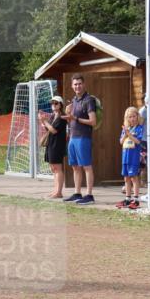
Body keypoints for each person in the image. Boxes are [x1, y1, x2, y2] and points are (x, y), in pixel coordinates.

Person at [64, 74, 98, 205]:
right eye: (75, 84)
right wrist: (68, 114)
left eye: (79, 83)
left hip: (83, 137)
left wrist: (75, 118)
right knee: (75, 167)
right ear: (72, 86)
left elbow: (93, 121)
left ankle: (89, 195)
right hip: (73, 137)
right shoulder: (74, 100)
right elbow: (71, 118)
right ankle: (77, 193)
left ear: (84, 84)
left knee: (87, 167)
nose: (77, 86)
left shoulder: (89, 100)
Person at [38, 95, 67, 198]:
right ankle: (55, 190)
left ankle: (59, 192)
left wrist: (44, 121)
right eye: (52, 103)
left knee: (57, 168)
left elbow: (54, 130)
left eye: (56, 103)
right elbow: (48, 129)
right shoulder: (52, 116)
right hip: (51, 144)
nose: (53, 105)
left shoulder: (62, 116)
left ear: (61, 105)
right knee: (53, 168)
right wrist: (43, 120)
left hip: (57, 145)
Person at [117, 106, 145, 210]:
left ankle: (136, 199)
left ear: (137, 117)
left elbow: (138, 141)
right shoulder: (126, 128)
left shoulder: (139, 128)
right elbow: (121, 141)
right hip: (125, 157)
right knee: (126, 178)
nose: (132, 119)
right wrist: (125, 133)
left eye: (134, 116)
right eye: (130, 117)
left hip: (134, 157)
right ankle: (127, 198)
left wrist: (129, 134)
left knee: (134, 177)